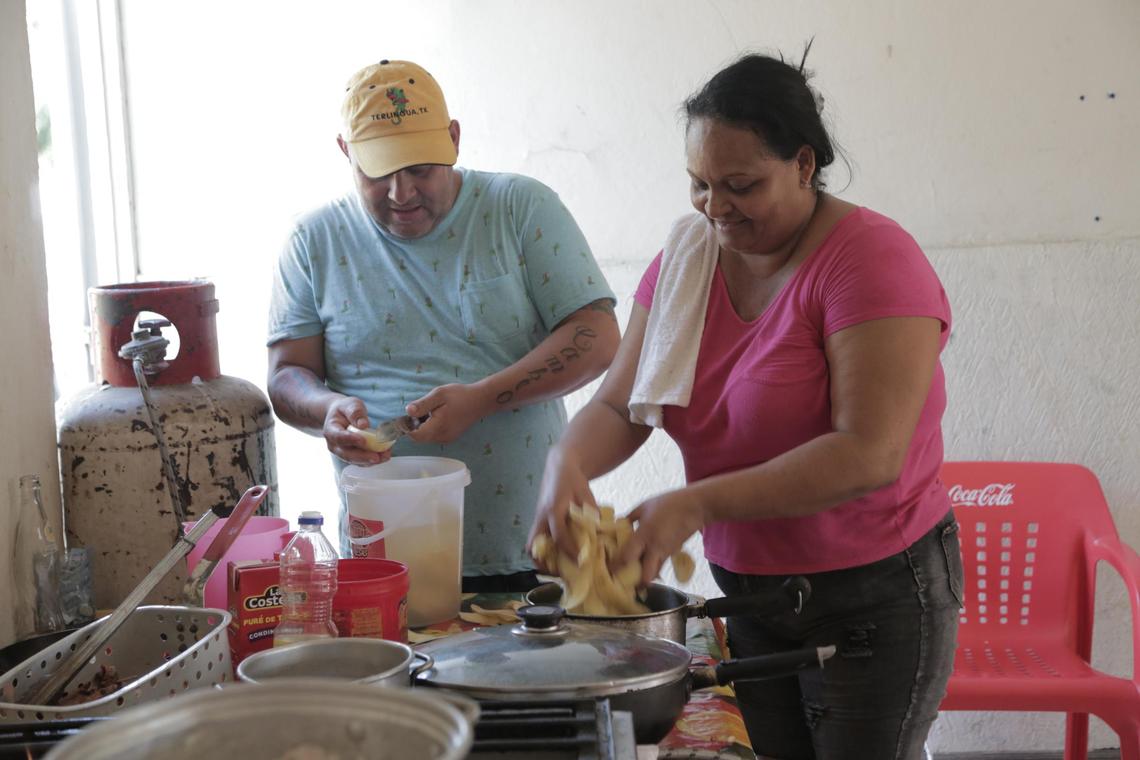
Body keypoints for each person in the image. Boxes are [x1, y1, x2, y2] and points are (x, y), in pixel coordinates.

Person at [530, 50, 961, 759]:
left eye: (741, 185)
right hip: (752, 592)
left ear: (802, 163)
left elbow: (869, 451)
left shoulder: (871, 261)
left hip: (875, 595)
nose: (714, 207)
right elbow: (617, 407)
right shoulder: (688, 260)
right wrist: (564, 463)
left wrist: (694, 504)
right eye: (699, 184)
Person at [268, 59, 619, 593]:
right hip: (382, 565)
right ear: (345, 151)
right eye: (378, 173)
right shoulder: (314, 242)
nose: (400, 193)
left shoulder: (519, 208)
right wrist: (326, 410)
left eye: (420, 169)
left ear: (454, 140)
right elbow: (288, 373)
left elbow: (597, 337)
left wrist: (485, 397)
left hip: (535, 550)